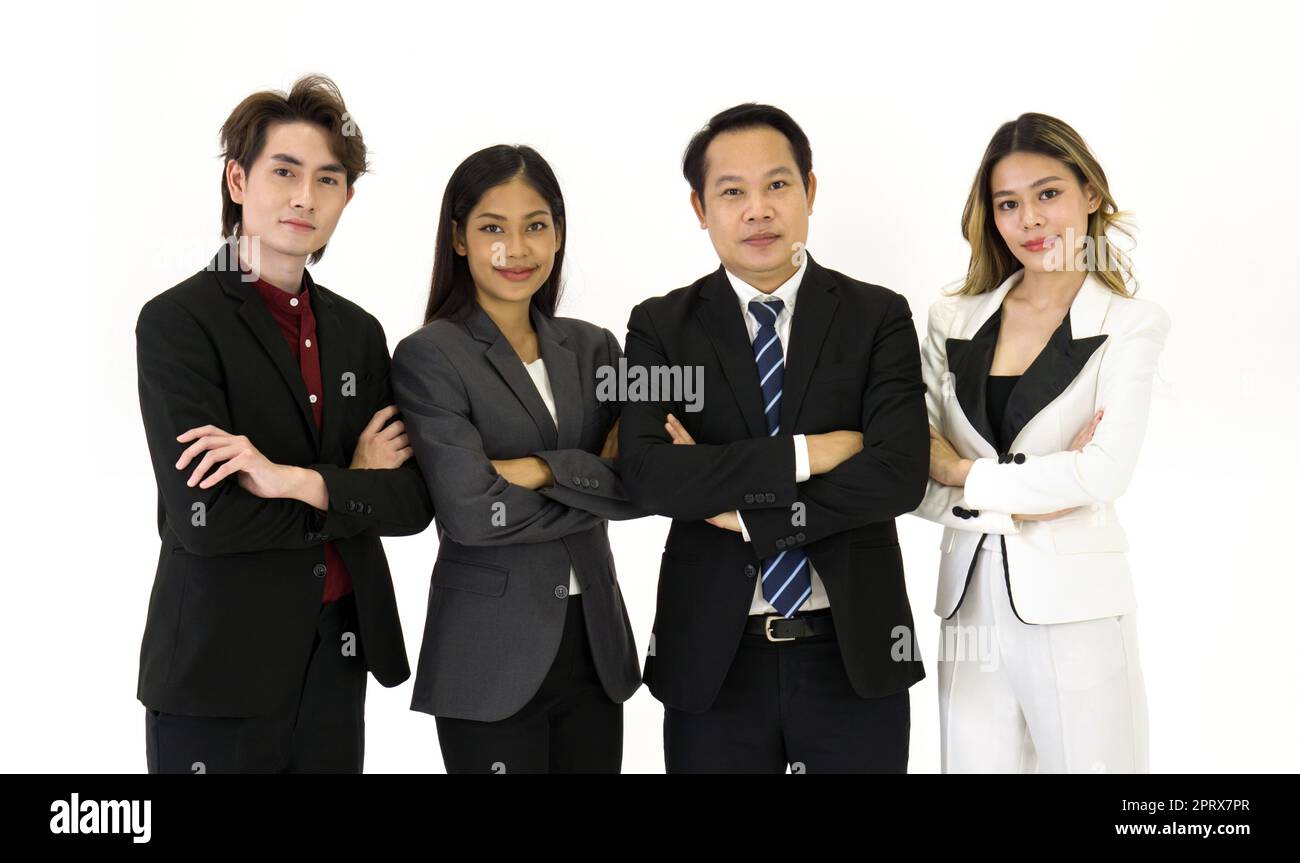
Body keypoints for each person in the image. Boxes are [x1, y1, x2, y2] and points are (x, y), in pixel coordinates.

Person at [135, 75, 434, 773]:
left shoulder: (359, 333)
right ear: (238, 179)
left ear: (346, 199)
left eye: (328, 179)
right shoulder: (179, 323)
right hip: (218, 668)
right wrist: (348, 484)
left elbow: (413, 503)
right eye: (285, 172)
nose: (306, 196)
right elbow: (205, 517)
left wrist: (290, 479)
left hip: (337, 657)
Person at [618, 103, 930, 773]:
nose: (757, 209)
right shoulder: (658, 327)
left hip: (854, 655)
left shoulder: (878, 316)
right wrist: (808, 453)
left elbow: (900, 472)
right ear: (700, 207)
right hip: (712, 660)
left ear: (810, 192)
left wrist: (747, 509)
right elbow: (646, 474)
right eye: (732, 192)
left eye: (777, 185)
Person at [912, 112, 1171, 773]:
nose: (1030, 219)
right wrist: (1034, 492)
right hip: (968, 609)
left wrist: (962, 472)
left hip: (1077, 609)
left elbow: (1102, 475)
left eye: (1048, 193)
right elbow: (909, 472)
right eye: (1008, 203)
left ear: (1090, 193)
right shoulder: (953, 320)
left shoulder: (1128, 324)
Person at [392, 145, 645, 773]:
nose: (517, 247)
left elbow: (645, 483)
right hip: (488, 654)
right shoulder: (429, 356)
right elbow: (472, 513)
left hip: (595, 647)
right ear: (458, 238)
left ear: (558, 234)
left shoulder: (595, 349)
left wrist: (537, 469)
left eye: (536, 225)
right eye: (491, 228)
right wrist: (591, 480)